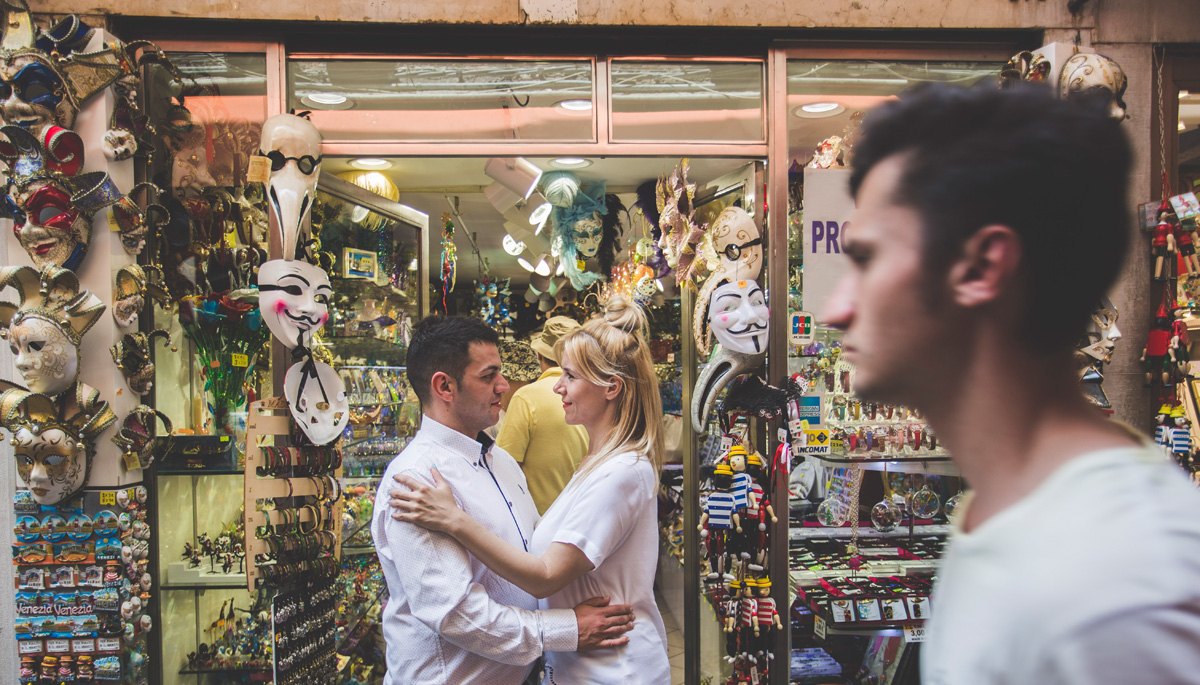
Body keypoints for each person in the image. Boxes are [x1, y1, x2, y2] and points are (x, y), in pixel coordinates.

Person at [821, 82, 1200, 684]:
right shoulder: (1003, 512)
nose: (836, 308)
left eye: (866, 260)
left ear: (980, 267)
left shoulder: (1116, 580)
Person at [392, 297, 671, 684]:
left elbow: (543, 571)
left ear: (611, 388)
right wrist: (562, 629)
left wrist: (456, 521)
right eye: (489, 376)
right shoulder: (418, 478)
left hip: (600, 666)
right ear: (445, 386)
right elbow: (455, 612)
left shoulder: (504, 464)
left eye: (570, 376)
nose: (506, 387)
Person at [498, 316, 590, 514]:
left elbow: (505, 467)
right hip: (585, 515)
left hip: (540, 521)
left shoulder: (526, 397)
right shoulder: (596, 395)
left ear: (539, 356)